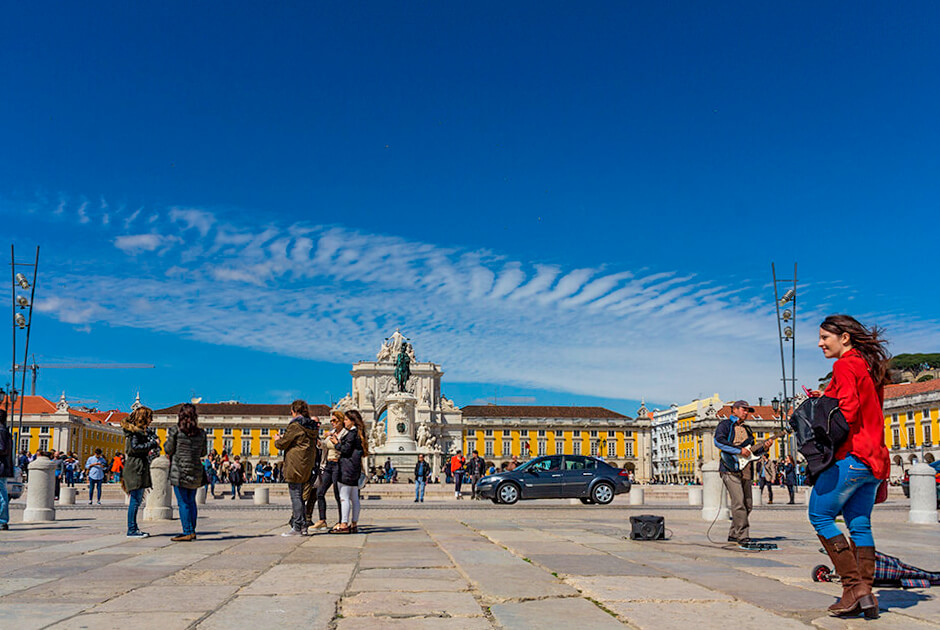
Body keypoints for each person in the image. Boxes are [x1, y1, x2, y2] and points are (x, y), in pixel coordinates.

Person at [806, 315, 890, 619]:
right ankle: (863, 593)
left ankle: (855, 587)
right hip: (874, 460)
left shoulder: (843, 365)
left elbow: (848, 412)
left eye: (825, 337)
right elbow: (866, 406)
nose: (819, 343)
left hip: (851, 456)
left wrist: (819, 431)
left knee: (820, 515)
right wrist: (826, 396)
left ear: (845, 337)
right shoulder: (869, 366)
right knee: (860, 524)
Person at [713, 401, 772, 544]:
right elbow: (718, 441)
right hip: (729, 467)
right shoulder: (725, 425)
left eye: (747, 411)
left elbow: (752, 452)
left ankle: (734, 533)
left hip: (746, 468)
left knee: (748, 504)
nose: (746, 413)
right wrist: (739, 450)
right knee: (738, 502)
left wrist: (764, 448)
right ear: (734, 410)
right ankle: (743, 535)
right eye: (744, 410)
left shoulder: (748, 429)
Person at [275, 399, 320, 536]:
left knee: (295, 495)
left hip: (295, 464)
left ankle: (297, 527)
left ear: (294, 411)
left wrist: (277, 439)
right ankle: (303, 526)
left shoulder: (295, 425)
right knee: (300, 495)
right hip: (307, 463)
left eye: (292, 411)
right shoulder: (311, 426)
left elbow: (282, 444)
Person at [166, 403, 208, 542]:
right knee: (191, 502)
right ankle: (192, 530)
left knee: (183, 502)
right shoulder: (201, 433)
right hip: (195, 471)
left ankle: (187, 531)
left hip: (179, 471)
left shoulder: (176, 431)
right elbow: (203, 452)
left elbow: (168, 449)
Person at [121, 406, 160, 538]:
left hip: (138, 466)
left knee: (137, 500)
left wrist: (151, 438)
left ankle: (134, 528)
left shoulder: (140, 432)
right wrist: (152, 444)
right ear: (143, 418)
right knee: (135, 500)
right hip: (135, 467)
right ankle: (131, 530)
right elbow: (134, 448)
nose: (151, 420)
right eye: (150, 417)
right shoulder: (135, 433)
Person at [330, 409, 368, 534]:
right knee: (354, 498)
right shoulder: (359, 434)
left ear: (352, 421)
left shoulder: (351, 434)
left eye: (346, 420)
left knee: (344, 498)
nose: (344, 422)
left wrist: (336, 443)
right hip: (354, 469)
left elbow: (345, 450)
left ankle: (344, 524)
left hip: (346, 468)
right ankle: (354, 524)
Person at [313, 412, 345, 530]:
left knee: (338, 495)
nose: (332, 423)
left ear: (341, 421)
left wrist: (336, 440)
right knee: (320, 492)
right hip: (328, 465)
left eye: (334, 420)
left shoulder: (344, 434)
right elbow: (323, 446)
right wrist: (318, 442)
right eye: (331, 421)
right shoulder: (331, 433)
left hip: (338, 465)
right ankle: (322, 520)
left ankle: (342, 521)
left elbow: (345, 448)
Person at [0, 409, 13, 531]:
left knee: (1, 495)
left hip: (0, 466)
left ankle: (2, 521)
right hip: (3, 466)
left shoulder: (1, 431)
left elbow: (2, 449)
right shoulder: (4, 430)